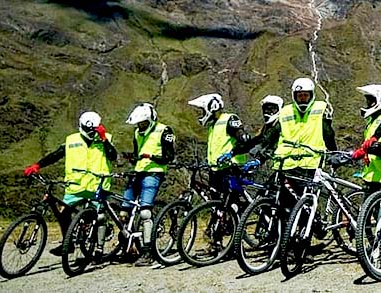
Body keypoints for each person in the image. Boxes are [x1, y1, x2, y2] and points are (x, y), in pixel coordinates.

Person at [22, 111, 117, 257]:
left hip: (97, 186)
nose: (90, 132)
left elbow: (113, 156)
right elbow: (56, 154)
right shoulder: (71, 140)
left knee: (97, 217)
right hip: (75, 186)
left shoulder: (105, 138)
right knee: (63, 214)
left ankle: (98, 248)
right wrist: (37, 165)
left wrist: (104, 139)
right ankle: (68, 244)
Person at [270, 78, 337, 211]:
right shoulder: (285, 112)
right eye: (300, 96)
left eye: (306, 95)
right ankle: (288, 231)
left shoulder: (320, 109)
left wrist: (333, 153)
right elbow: (272, 136)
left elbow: (328, 134)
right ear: (294, 96)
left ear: (311, 95)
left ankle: (309, 228)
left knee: (306, 204)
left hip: (310, 164)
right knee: (285, 205)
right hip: (287, 164)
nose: (302, 99)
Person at [122, 102, 175, 266]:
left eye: (143, 123)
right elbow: (138, 154)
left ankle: (148, 251)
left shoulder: (165, 130)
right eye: (139, 123)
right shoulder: (137, 133)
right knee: (124, 211)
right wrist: (132, 157)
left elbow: (169, 156)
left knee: (145, 213)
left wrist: (151, 157)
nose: (140, 126)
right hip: (138, 172)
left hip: (154, 173)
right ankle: (125, 244)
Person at [187, 93, 253, 195]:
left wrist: (232, 154)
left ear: (211, 107)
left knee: (230, 201)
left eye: (203, 110)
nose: (202, 113)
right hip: (216, 169)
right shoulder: (213, 126)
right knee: (216, 202)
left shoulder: (229, 119)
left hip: (231, 168)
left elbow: (244, 139)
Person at [351, 84, 381, 196]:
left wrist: (366, 150)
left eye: (371, 100)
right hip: (371, 174)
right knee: (366, 211)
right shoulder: (373, 119)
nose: (368, 103)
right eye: (368, 100)